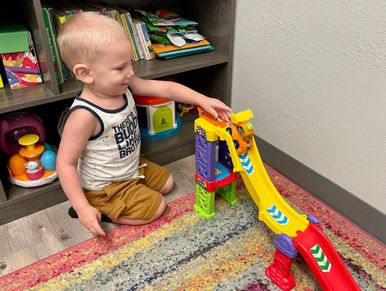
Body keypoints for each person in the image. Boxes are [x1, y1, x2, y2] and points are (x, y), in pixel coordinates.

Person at [56, 12, 232, 236]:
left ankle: (132, 192)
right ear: (85, 73)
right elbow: (65, 163)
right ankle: (102, 207)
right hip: (106, 187)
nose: (130, 72)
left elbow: (167, 89)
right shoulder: (84, 116)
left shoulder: (126, 85)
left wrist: (203, 100)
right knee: (158, 206)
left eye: (130, 63)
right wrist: (82, 207)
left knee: (168, 183)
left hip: (131, 167)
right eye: (120, 68)